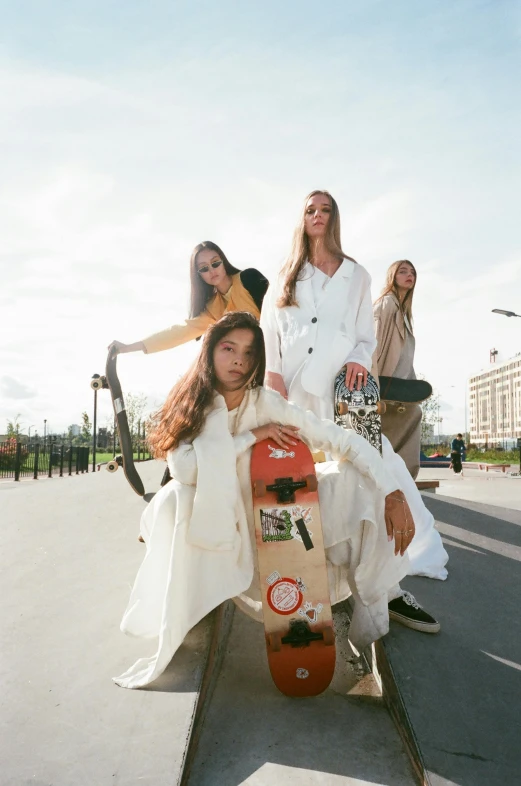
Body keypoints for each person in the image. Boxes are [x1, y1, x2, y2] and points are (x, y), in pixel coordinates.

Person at [114, 312, 440, 690]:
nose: (239, 359)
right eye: (229, 348)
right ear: (210, 352)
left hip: (274, 518)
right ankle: (194, 599)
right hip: (223, 523)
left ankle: (370, 618)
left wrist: (392, 491)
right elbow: (186, 470)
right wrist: (252, 436)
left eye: (249, 352)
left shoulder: (265, 402)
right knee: (173, 499)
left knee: (360, 484)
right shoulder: (193, 403)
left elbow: (338, 439)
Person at [260, 189, 448, 581]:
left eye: (325, 209)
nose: (317, 215)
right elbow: (269, 328)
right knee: (297, 475)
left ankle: (386, 555)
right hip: (292, 390)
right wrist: (272, 372)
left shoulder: (356, 275)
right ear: (302, 218)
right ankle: (304, 560)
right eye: (310, 210)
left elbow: (367, 336)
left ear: (334, 218)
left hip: (340, 393)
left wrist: (358, 360)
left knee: (361, 464)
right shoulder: (284, 274)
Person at [109, 240, 269, 357]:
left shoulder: (248, 278)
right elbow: (179, 332)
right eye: (204, 268)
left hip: (280, 353)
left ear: (223, 261)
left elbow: (280, 311)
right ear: (198, 275)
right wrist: (128, 347)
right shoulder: (212, 308)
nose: (212, 270)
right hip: (252, 361)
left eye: (215, 263)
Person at [373, 260, 422, 479]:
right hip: (384, 384)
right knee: (405, 420)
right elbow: (372, 344)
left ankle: (398, 477)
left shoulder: (404, 312)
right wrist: (371, 383)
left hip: (400, 387)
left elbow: (406, 358)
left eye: (412, 272)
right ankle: (399, 478)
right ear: (392, 276)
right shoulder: (386, 304)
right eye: (403, 271)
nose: (409, 275)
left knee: (412, 415)